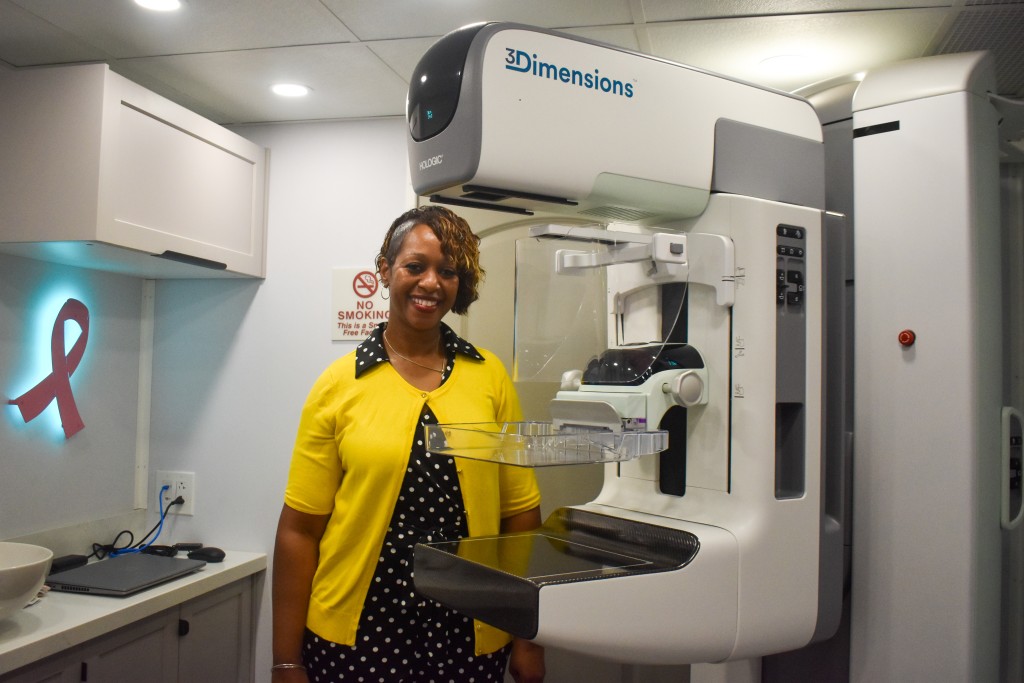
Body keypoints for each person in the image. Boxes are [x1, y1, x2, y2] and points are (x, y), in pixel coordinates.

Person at [272, 206, 546, 683]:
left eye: (448, 271)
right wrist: (285, 659)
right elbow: (299, 531)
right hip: (356, 636)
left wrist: (528, 637)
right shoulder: (339, 385)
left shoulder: (490, 378)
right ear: (385, 270)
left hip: (471, 631)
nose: (431, 284)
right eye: (415, 267)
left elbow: (520, 517)